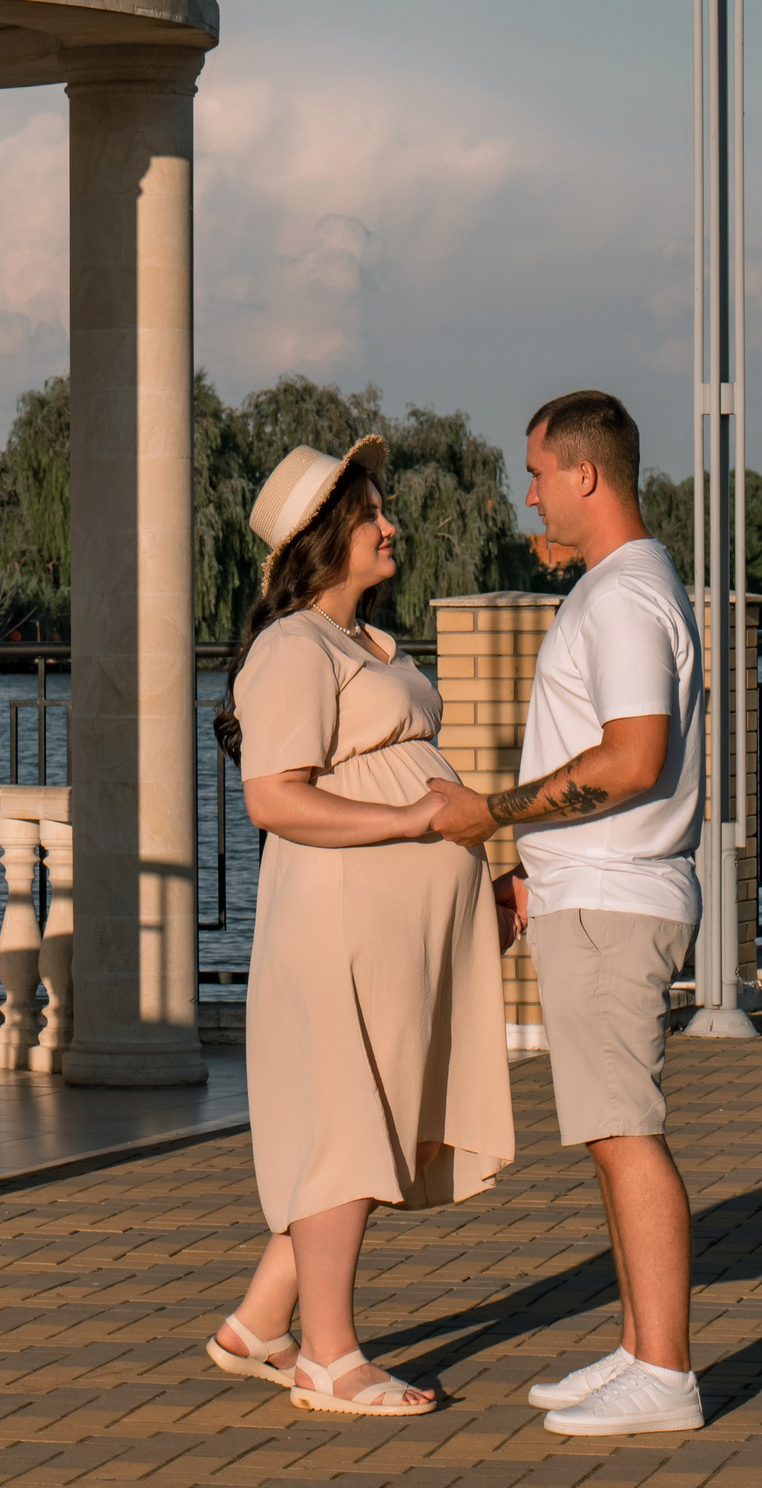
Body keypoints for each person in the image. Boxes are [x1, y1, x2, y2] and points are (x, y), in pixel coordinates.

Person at [201, 438, 515, 1418]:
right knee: (343, 1129)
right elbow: (275, 800)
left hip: (396, 933)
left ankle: (259, 1323)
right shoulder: (292, 647)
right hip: (337, 923)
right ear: (325, 537)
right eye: (374, 513)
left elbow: (414, 770)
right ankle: (328, 1360)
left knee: (369, 1121)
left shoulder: (368, 644)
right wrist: (412, 822)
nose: (393, 525)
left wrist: (488, 878)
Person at [437, 389, 710, 1437]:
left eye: (537, 474)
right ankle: (643, 1349)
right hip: (586, 894)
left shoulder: (623, 599)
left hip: (611, 904)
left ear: (584, 475)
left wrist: (490, 815)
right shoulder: (615, 588)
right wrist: (528, 874)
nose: (528, 494)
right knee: (607, 1133)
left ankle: (669, 1376)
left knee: (625, 1134)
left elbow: (633, 759)